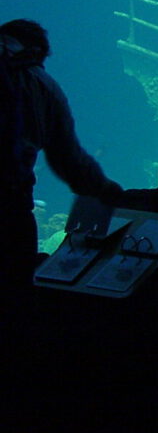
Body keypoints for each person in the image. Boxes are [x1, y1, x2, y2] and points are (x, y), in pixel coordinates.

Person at [0, 19, 121, 295]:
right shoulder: (45, 87)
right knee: (15, 282)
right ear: (40, 52)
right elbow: (67, 157)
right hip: (9, 201)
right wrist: (104, 189)